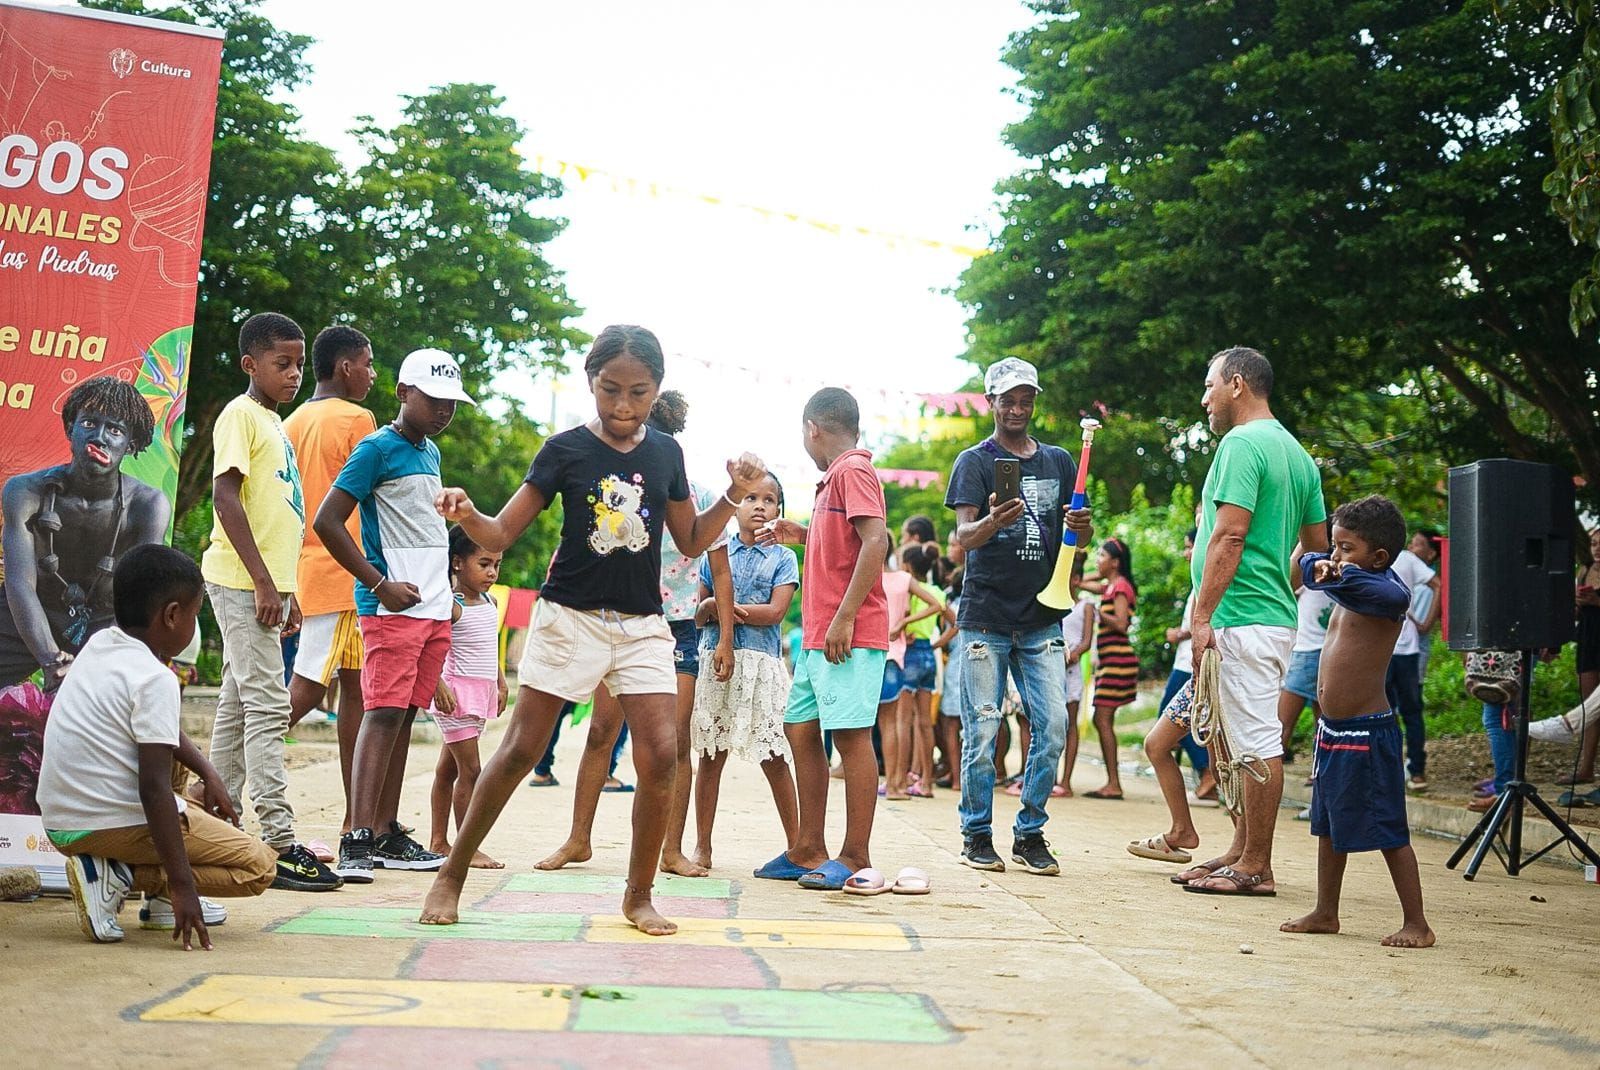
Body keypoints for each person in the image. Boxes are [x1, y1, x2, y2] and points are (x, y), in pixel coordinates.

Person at [417, 324, 765, 935]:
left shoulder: (666, 454)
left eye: (638, 392)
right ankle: (453, 875)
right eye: (610, 390)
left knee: (661, 753)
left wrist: (733, 496)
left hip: (641, 624)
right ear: (590, 382)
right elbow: (500, 534)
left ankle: (638, 894)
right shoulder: (564, 450)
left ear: (657, 390)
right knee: (522, 748)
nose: (624, 406)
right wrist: (469, 513)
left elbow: (688, 539)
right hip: (569, 618)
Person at [532, 390, 736, 875]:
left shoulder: (698, 495)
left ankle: (670, 849)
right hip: (616, 620)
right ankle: (578, 839)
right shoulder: (612, 484)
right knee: (601, 729)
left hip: (678, 628)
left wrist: (725, 636)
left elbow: (720, 569)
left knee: (672, 743)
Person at [40, 544, 278, 947]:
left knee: (174, 759)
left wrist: (207, 769)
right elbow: (153, 790)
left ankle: (156, 896)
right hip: (99, 827)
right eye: (193, 613)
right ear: (171, 615)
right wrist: (184, 884)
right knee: (258, 867)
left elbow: (159, 735)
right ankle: (122, 877)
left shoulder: (99, 646)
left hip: (61, 820)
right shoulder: (155, 678)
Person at [314, 348, 476, 882]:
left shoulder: (428, 453)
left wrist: (445, 595)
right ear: (404, 393)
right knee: (381, 712)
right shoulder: (376, 449)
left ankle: (385, 832)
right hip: (392, 607)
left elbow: (421, 530)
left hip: (430, 608)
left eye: (452, 403)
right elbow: (328, 521)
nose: (444, 412)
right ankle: (356, 837)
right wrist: (378, 584)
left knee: (406, 713)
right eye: (434, 400)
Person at [200, 312, 341, 893]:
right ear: (250, 364)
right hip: (236, 579)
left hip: (263, 585)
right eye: (281, 363)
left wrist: (286, 592)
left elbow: (276, 514)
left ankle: (217, 817)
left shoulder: (273, 424)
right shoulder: (240, 414)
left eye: (299, 364)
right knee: (266, 708)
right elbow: (225, 498)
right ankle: (279, 842)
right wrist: (261, 583)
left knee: (237, 705)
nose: (292, 374)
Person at [1179, 347, 1326, 897]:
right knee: (1237, 738)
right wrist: (1276, 592)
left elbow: (1230, 534)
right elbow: (1315, 551)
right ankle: (1241, 850)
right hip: (1268, 617)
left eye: (1210, 385)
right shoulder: (1296, 454)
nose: (1205, 398)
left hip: (1240, 618)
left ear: (1237, 384)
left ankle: (1257, 865)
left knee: (1257, 740)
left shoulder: (1241, 444)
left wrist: (1202, 616)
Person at [945, 357, 1093, 876]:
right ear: (990, 402)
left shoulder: (1058, 460)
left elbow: (1077, 540)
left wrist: (1082, 525)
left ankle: (1030, 833)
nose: (1017, 408)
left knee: (1052, 726)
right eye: (1007, 399)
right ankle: (976, 832)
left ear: (1034, 402)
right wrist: (990, 522)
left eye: (1025, 398)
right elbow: (961, 538)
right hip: (985, 615)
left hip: (1042, 614)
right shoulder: (974, 461)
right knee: (982, 732)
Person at [1277, 495, 1434, 949]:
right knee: (1328, 823)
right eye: (1336, 546)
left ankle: (1417, 922)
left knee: (1388, 828)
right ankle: (1326, 911)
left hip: (1369, 733)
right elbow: (1308, 564)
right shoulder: (1343, 580)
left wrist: (1338, 573)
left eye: (1347, 548)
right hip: (1335, 731)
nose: (1335, 556)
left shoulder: (1383, 592)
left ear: (1379, 557)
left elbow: (1390, 594)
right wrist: (1330, 566)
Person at [754, 387, 889, 891]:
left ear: (813, 428)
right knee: (800, 730)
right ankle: (809, 845)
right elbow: (845, 545)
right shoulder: (832, 479)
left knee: (850, 737)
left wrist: (846, 617)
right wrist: (804, 534)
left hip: (845, 633)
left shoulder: (853, 469)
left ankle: (855, 855)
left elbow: (877, 540)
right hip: (818, 636)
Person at [283, 326, 390, 858]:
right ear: (345, 366)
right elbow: (368, 497)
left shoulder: (292, 420)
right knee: (306, 688)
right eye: (368, 364)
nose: (372, 374)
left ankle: (358, 817)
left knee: (357, 689)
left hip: (305, 566)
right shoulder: (356, 419)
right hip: (344, 571)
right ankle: (224, 770)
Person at [1, 376, 170, 691]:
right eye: (89, 423)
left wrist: (96, 664)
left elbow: (137, 598)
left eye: (115, 430)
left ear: (131, 445)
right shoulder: (25, 492)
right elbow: (19, 584)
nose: (100, 437)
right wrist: (52, 659)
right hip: (26, 613)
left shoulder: (148, 506)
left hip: (104, 626)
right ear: (70, 430)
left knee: (137, 690)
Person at [690, 471, 801, 868]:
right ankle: (702, 845)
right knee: (710, 754)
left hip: (761, 667)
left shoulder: (784, 557)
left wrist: (724, 611)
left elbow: (775, 613)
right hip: (716, 661)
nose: (759, 506)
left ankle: (798, 843)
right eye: (751, 498)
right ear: (735, 506)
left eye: (769, 500)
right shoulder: (715, 551)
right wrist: (712, 610)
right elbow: (699, 610)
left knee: (774, 755)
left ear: (778, 509)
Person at [427, 526, 508, 869]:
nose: (491, 573)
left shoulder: (489, 601)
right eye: (484, 564)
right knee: (471, 771)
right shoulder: (451, 604)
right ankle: (465, 846)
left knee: (448, 770)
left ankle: (438, 841)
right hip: (455, 697)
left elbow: (490, 647)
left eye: (496, 565)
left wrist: (501, 682)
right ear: (457, 563)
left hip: (479, 694)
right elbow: (429, 647)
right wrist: (435, 684)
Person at [1386, 532, 1440, 792]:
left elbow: (1437, 584)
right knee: (1383, 712)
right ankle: (1390, 768)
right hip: (1377, 650)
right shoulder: (1362, 556)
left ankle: (1417, 769)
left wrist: (1428, 622)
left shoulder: (1406, 560)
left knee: (1412, 710)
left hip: (1406, 649)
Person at [900, 543, 954, 798]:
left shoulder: (910, 590)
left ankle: (899, 780)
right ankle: (927, 783)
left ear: (908, 568)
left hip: (909, 655)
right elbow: (956, 623)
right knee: (925, 723)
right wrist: (936, 644)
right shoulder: (937, 592)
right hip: (928, 657)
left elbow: (902, 615)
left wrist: (904, 627)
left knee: (903, 722)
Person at [1085, 538, 1138, 799]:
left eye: (1102, 556)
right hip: (1110, 661)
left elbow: (1121, 623)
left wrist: (1095, 612)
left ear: (1115, 563)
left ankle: (1114, 782)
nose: (1098, 560)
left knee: (1102, 718)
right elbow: (1087, 582)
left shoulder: (1119, 588)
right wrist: (1076, 579)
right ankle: (1112, 780)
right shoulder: (1111, 585)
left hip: (1118, 661)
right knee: (1102, 719)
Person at [1053, 558, 1094, 798]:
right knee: (1054, 724)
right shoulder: (1054, 605)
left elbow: (1087, 640)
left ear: (1077, 579)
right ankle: (1051, 778)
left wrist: (1073, 654)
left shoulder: (1085, 606)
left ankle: (1066, 780)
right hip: (1053, 670)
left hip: (1072, 670)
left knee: (1070, 724)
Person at [1280, 575, 1333, 760]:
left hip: (1306, 651)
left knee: (1282, 723)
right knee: (1323, 721)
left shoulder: (1312, 573)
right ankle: (1320, 770)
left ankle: (1268, 773)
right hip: (1328, 652)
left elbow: (1286, 583)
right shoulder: (1341, 575)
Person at [1563, 527, 1600, 786]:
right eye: (1594, 543)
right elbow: (1575, 613)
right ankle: (1585, 767)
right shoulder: (1585, 570)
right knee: (1590, 707)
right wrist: (1576, 602)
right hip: (1589, 638)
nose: (1597, 548)